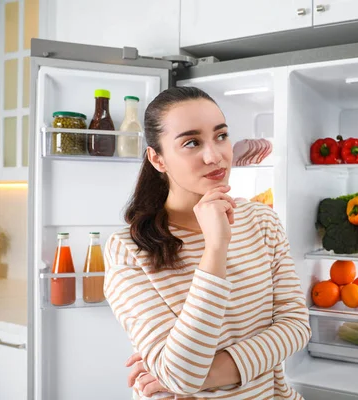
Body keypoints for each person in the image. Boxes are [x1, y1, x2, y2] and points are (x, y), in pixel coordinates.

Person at [103, 86, 311, 399]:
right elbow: (181, 373)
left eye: (221, 136)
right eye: (191, 142)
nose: (215, 156)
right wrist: (215, 248)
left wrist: (203, 376)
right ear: (158, 159)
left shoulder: (261, 221)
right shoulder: (128, 250)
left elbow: (295, 327)